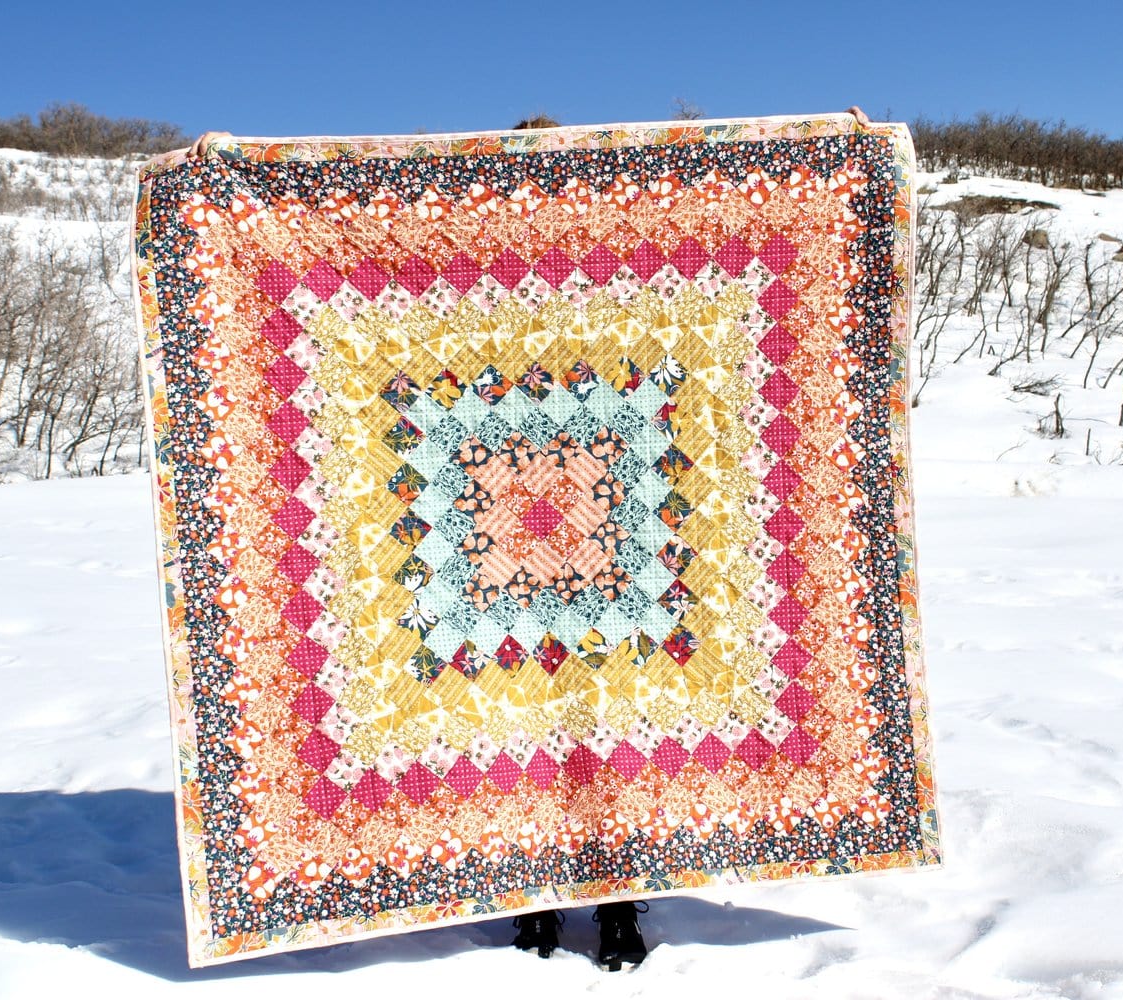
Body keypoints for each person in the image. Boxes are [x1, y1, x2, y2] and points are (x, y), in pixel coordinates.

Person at [183, 105, 873, 972]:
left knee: (571, 739)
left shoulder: (517, 274)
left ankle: (574, 905)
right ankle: (585, 905)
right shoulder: (577, 272)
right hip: (535, 576)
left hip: (602, 572)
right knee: (580, 738)